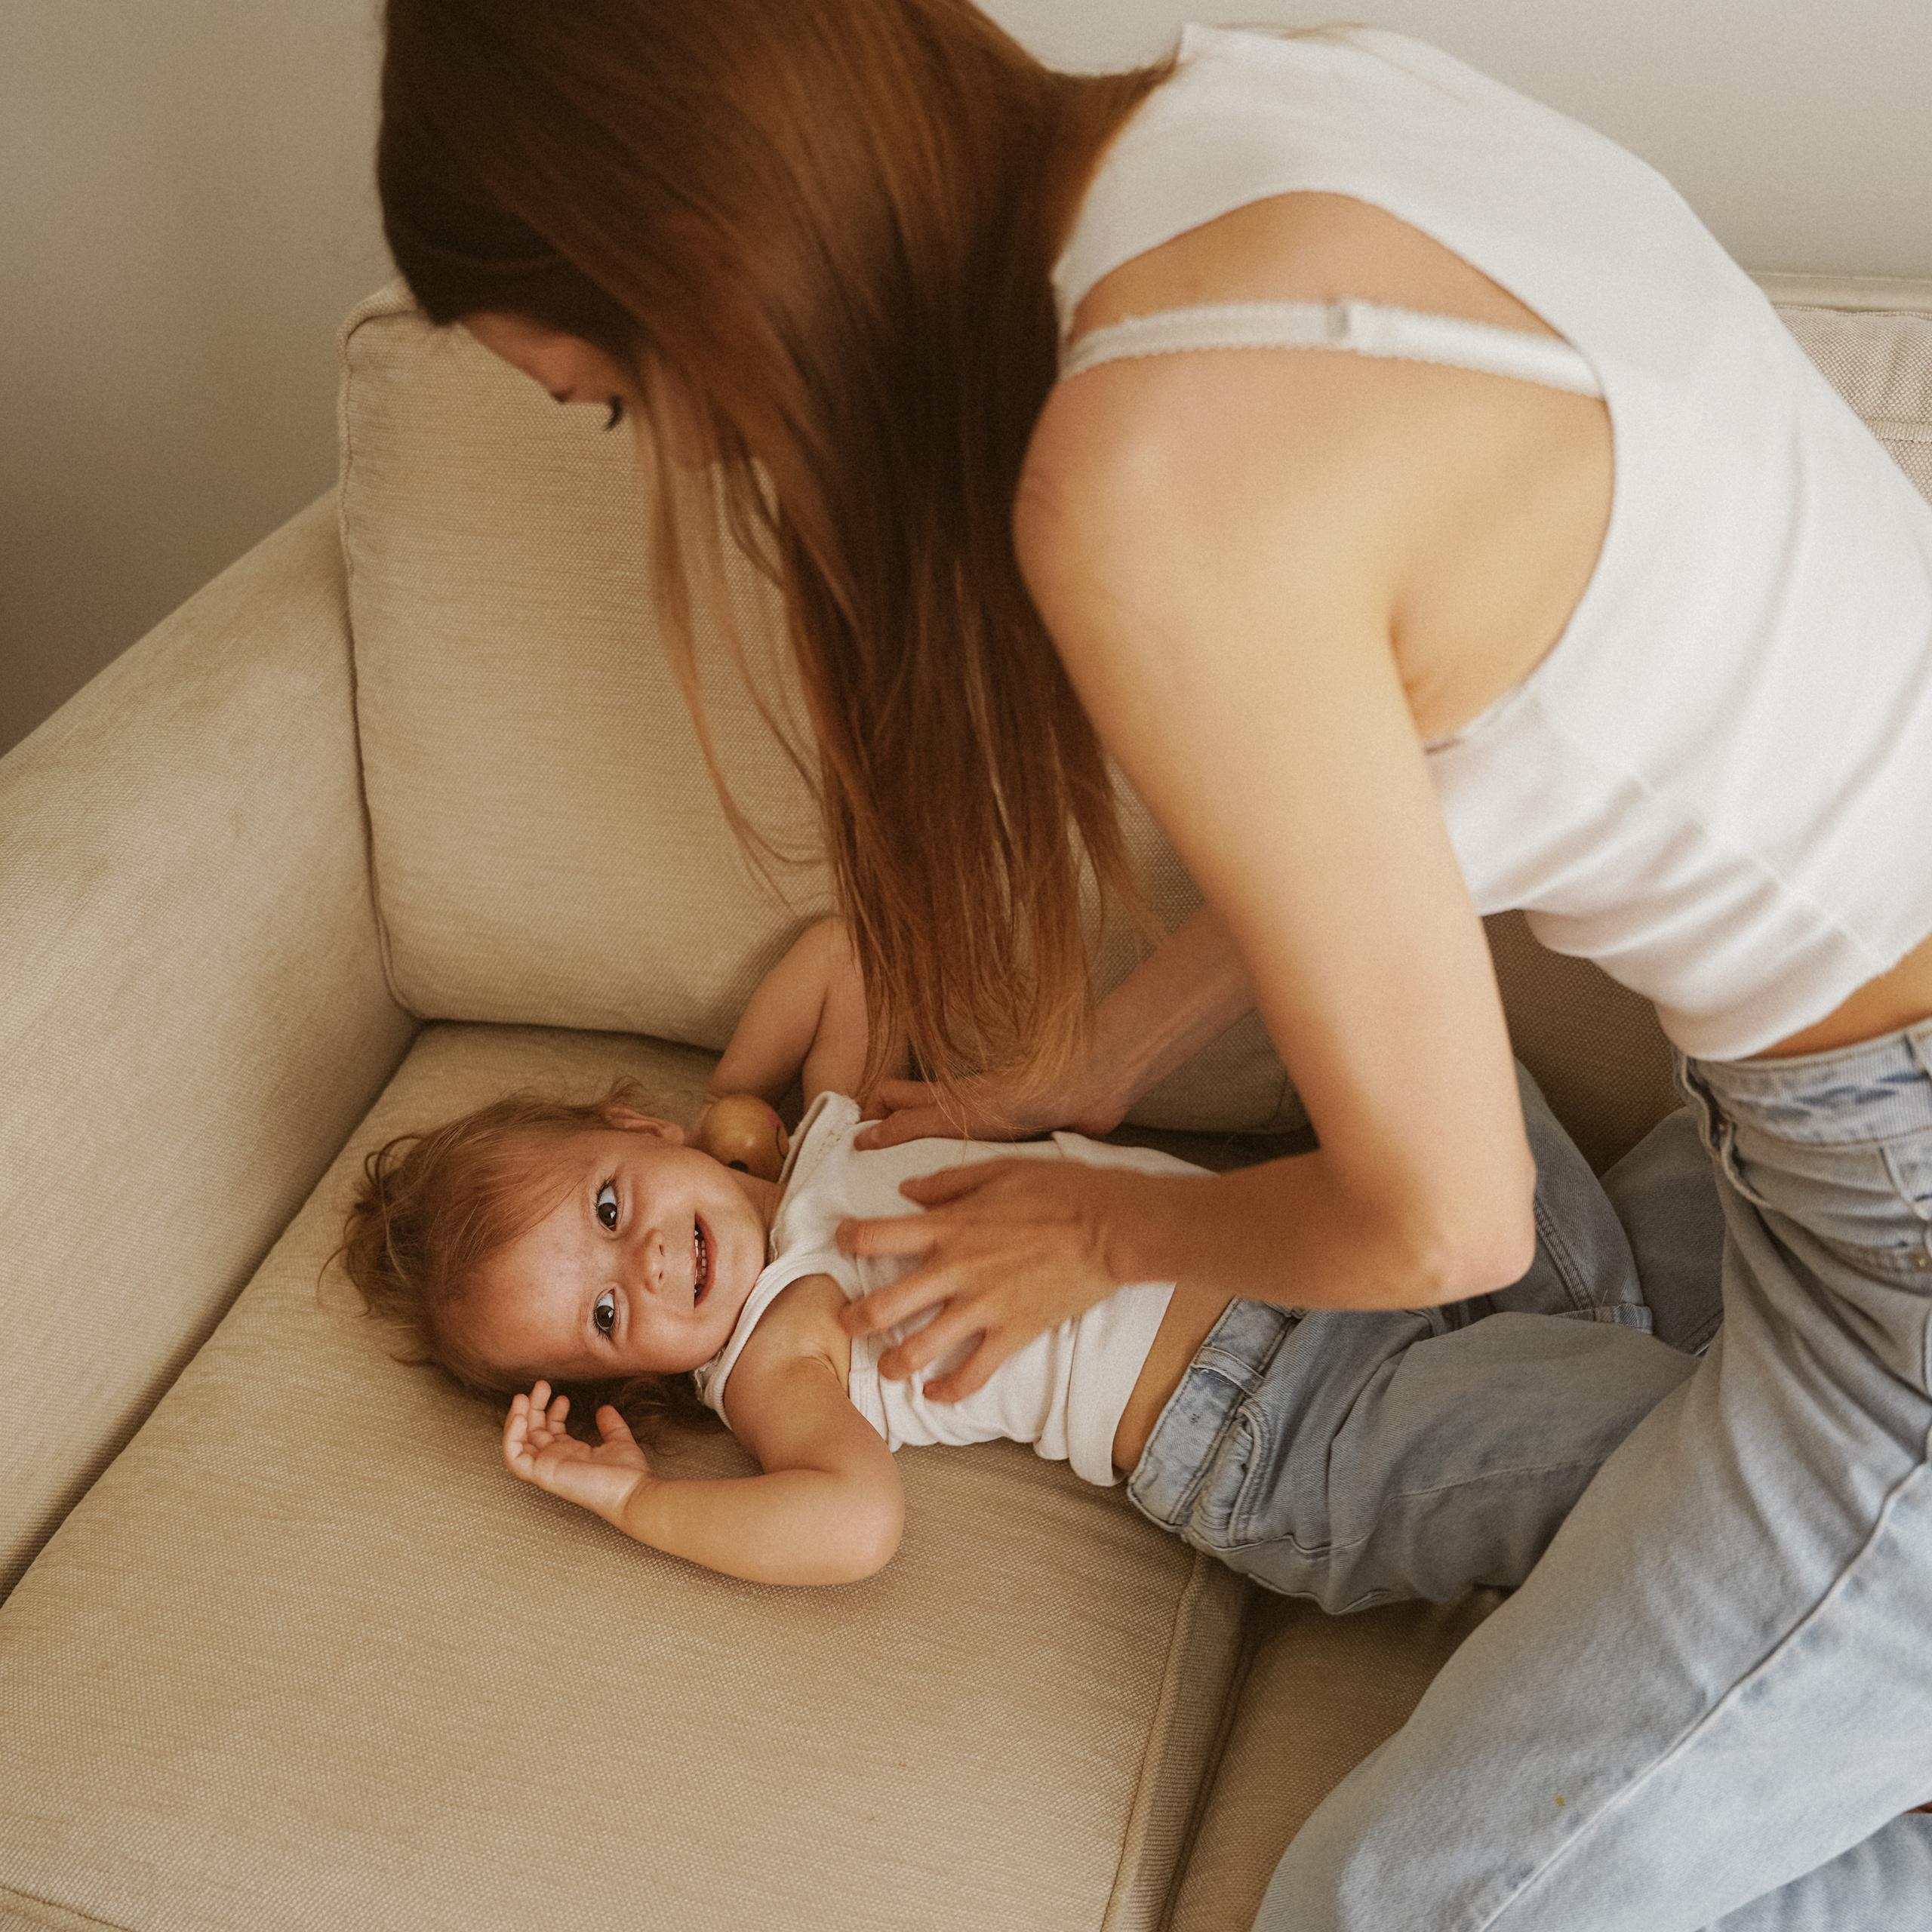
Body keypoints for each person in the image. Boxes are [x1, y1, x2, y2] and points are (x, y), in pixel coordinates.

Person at [375, 2, 1932, 1924]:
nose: (678, 456)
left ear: (699, 271)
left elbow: (1441, 1224)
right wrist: (1100, 1076)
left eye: (613, 396)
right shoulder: (1270, 106)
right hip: (1811, 1143)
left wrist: (1088, 1229)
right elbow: (1459, 782)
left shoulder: (1133, 476)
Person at [340, 919, 1690, 1593]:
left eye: (612, 1214)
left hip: (1347, 1256)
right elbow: (854, 1526)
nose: (644, 1276)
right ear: (632, 1380)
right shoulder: (777, 1354)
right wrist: (637, 1508)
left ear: (638, 1128)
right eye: (605, 1316)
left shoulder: (822, 1141)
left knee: (1447, 1054)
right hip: (1286, 1433)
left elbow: (841, 953)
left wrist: (737, 1101)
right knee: (1664, 1437)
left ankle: (1607, 1361)